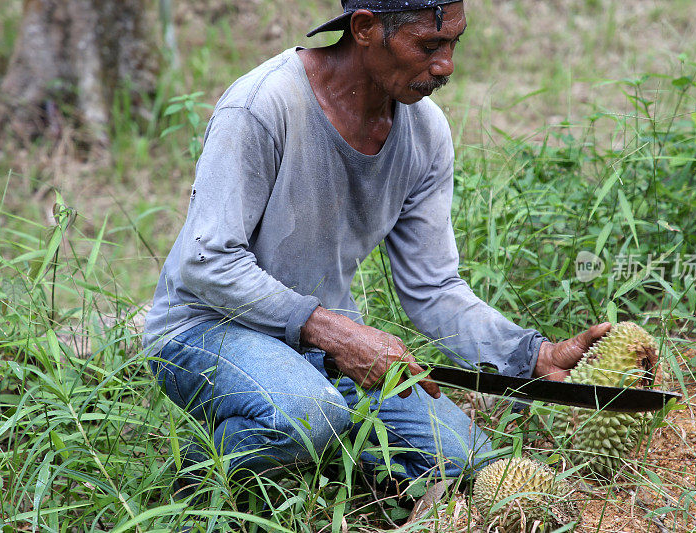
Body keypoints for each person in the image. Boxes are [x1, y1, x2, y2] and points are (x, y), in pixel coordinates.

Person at [143, 0, 611, 491]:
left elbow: (432, 287)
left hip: (323, 344)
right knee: (311, 415)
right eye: (428, 44)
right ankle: (199, 477)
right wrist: (335, 333)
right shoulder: (263, 105)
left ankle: (327, 453)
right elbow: (207, 260)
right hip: (205, 328)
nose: (446, 64)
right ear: (364, 28)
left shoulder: (425, 134)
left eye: (454, 42)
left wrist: (533, 356)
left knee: (472, 465)